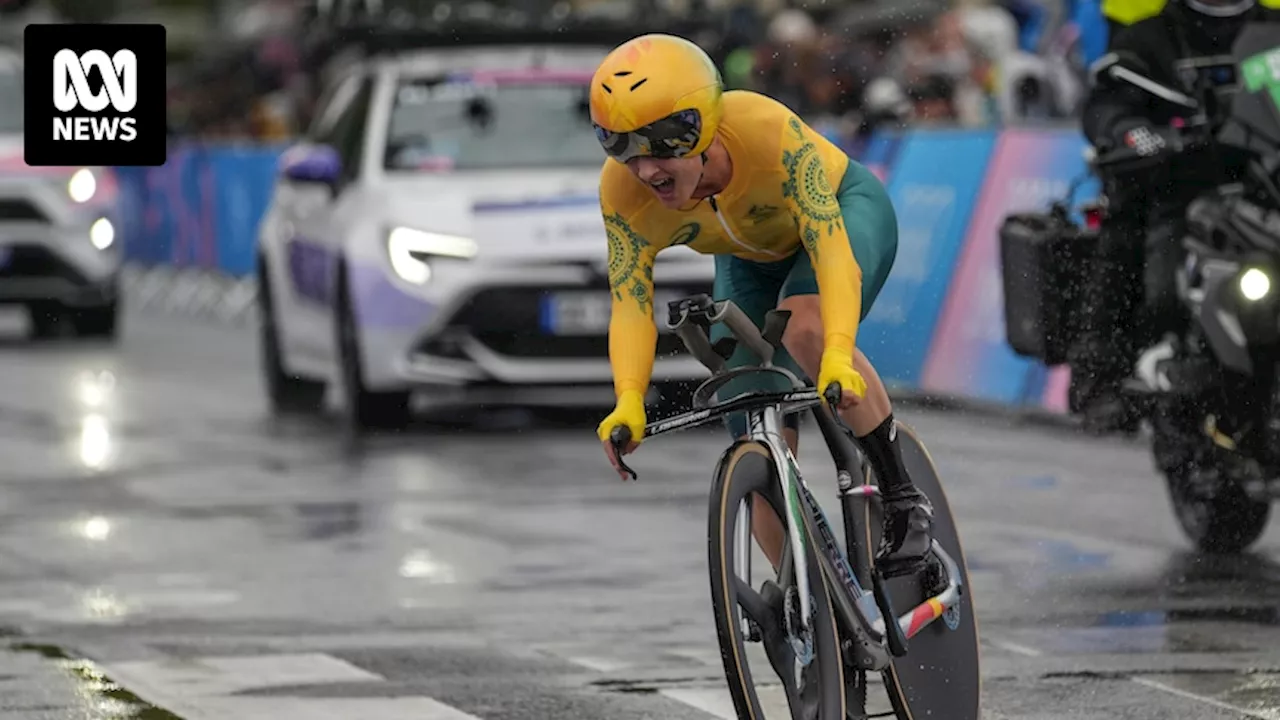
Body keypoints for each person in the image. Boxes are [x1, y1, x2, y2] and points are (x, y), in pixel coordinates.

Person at [588, 33, 934, 578]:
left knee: (803, 332)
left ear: (698, 127)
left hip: (842, 218)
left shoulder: (764, 130)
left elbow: (830, 251)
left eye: (658, 145)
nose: (643, 169)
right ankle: (807, 600)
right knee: (751, 418)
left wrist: (837, 352)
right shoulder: (622, 194)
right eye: (619, 145)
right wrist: (628, 398)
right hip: (748, 261)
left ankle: (904, 498)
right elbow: (630, 302)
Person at [1070, 0, 1280, 438]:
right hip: (1186, 186)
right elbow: (1107, 99)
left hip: (1267, 184)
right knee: (1131, 226)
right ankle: (1114, 365)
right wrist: (1133, 131)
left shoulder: (1272, 26)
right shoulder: (1151, 37)